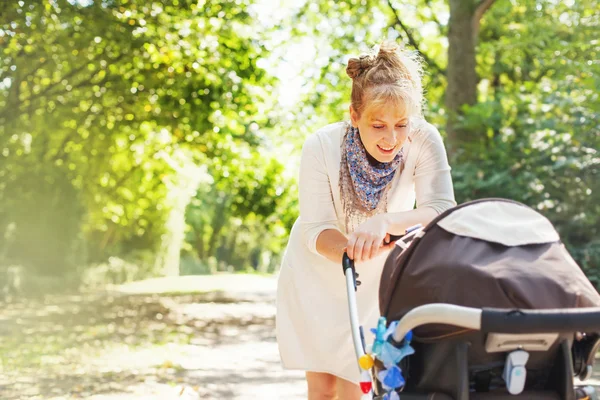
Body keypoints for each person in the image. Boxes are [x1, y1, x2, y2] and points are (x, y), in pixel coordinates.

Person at [276, 41, 456, 399]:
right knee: (322, 386)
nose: (391, 139)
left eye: (401, 125)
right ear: (354, 116)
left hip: (377, 279)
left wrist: (385, 222)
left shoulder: (423, 140)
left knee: (355, 382)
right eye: (378, 125)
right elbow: (315, 228)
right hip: (319, 271)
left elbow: (442, 210)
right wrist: (352, 248)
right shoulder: (321, 146)